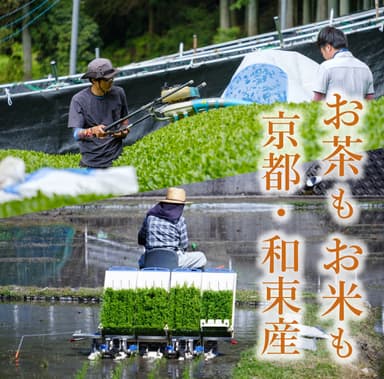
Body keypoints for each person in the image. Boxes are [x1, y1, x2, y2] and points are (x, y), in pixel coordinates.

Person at [67, 58, 130, 168]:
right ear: (94, 80)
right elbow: (76, 134)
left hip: (117, 160)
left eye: (112, 78)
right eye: (106, 80)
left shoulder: (119, 93)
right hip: (91, 163)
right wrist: (93, 130)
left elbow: (124, 120)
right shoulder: (78, 100)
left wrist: (124, 130)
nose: (111, 81)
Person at [138, 187, 207, 270]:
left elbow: (141, 239)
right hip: (173, 260)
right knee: (201, 257)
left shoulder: (150, 218)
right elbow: (184, 245)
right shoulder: (180, 220)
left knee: (141, 257)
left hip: (151, 259)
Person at [313, 26, 374, 101]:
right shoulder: (365, 68)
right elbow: (370, 103)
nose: (323, 56)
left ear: (328, 47)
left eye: (322, 51)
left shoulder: (326, 67)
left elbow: (316, 102)